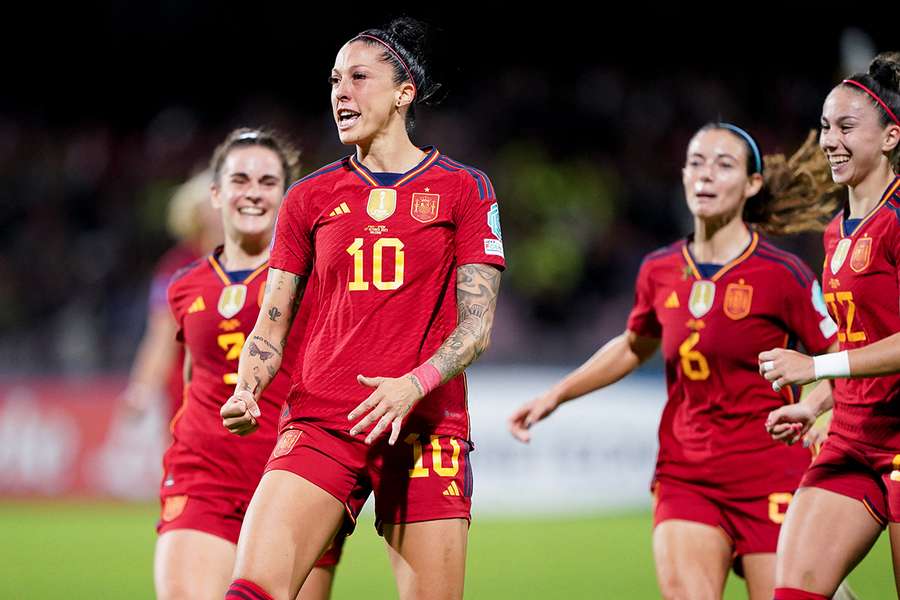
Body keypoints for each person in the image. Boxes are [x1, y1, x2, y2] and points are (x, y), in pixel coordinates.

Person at [219, 18, 505, 600]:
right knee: (251, 591)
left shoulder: (465, 188)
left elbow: (477, 330)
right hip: (325, 420)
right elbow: (269, 327)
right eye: (333, 81)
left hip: (426, 428)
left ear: (405, 94)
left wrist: (412, 385)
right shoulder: (308, 198)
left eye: (358, 78)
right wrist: (248, 386)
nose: (340, 93)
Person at [508, 123, 839, 600]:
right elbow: (633, 344)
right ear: (683, 176)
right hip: (688, 473)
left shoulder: (783, 275)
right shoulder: (659, 269)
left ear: (752, 185)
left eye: (724, 165)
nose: (706, 174)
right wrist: (556, 395)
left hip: (772, 472)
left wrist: (815, 407)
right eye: (696, 162)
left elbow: (839, 360)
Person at [155, 128, 340, 600]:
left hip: (295, 480)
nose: (253, 192)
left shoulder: (316, 276)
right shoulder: (185, 285)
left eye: (267, 181)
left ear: (287, 195)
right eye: (240, 179)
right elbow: (195, 375)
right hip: (204, 475)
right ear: (216, 193)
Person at [759, 52, 900, 599]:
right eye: (824, 127)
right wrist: (817, 400)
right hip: (853, 438)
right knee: (794, 590)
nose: (829, 141)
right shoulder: (837, 233)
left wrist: (815, 365)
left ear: (890, 138)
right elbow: (864, 334)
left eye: (846, 127)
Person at [120, 170, 221, 419]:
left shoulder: (262, 260)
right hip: (192, 399)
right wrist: (142, 387)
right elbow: (161, 335)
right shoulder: (176, 268)